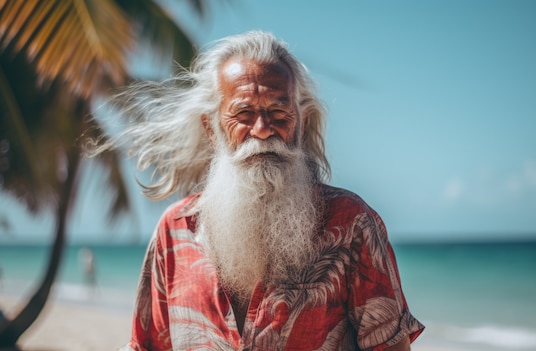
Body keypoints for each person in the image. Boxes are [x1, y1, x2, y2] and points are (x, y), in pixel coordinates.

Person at [88, 31, 424, 351]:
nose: (262, 130)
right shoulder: (175, 232)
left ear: (301, 121)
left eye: (278, 112)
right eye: (244, 114)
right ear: (212, 127)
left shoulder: (352, 224)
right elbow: (145, 345)